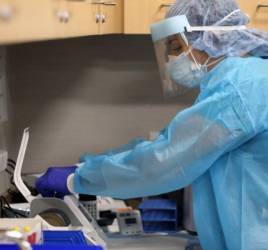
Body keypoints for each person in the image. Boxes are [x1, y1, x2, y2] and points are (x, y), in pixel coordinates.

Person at [36, 0, 268, 249]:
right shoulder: (243, 78)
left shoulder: (240, 89)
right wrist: (89, 165)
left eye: (177, 47)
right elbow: (171, 140)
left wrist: (78, 179)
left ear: (211, 39)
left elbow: (166, 160)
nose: (172, 59)